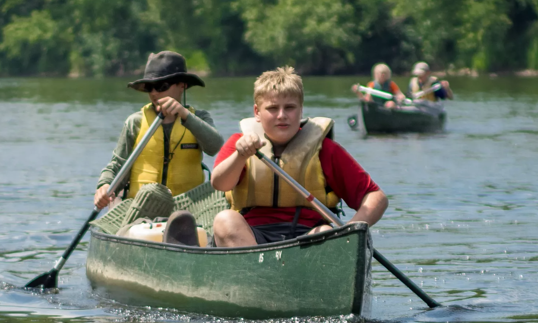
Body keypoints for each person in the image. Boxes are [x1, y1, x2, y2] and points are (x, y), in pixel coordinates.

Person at [211, 66, 388, 247]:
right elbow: (219, 183)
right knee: (224, 220)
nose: (282, 115)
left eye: (289, 108)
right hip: (253, 237)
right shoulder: (240, 143)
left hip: (309, 235)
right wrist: (240, 156)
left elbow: (376, 197)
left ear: (301, 110)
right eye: (272, 108)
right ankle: (258, 271)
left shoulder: (325, 149)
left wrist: (350, 230)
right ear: (257, 112)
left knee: (326, 232)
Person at [94, 51, 224, 236]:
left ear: (182, 85)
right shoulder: (135, 122)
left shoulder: (199, 118)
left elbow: (214, 146)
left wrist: (184, 115)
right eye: (150, 87)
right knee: (149, 195)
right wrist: (104, 186)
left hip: (188, 208)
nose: (154, 93)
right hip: (140, 208)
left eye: (161, 86)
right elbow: (116, 165)